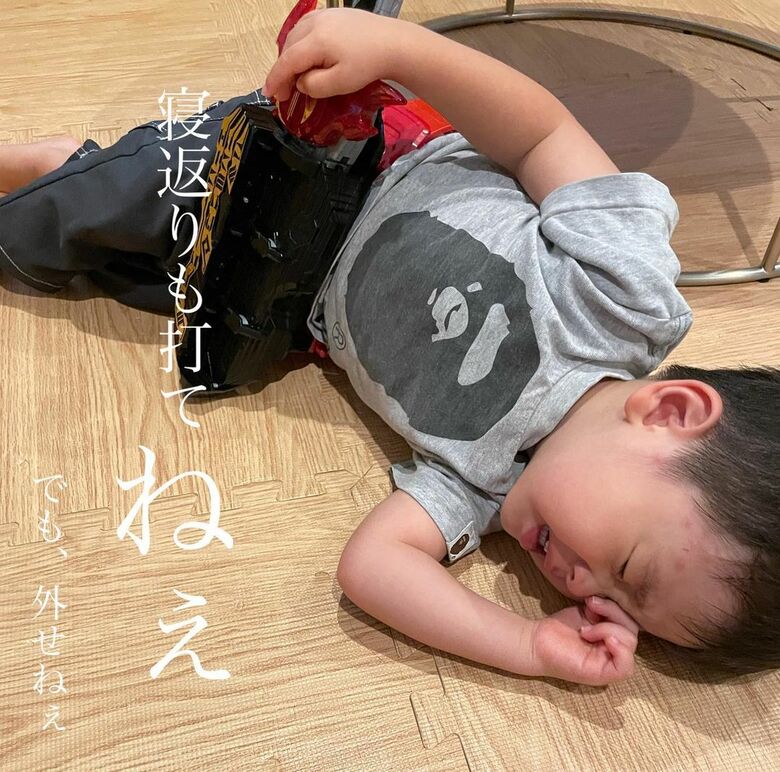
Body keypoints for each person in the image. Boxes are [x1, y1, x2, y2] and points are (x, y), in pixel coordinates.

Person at [2, 7, 778, 685]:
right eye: (628, 570)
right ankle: (54, 175)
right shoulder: (623, 296)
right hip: (342, 157)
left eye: (611, 608)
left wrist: (528, 644)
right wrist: (402, 49)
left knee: (103, 264)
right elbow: (541, 132)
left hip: (275, 291)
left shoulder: (489, 487)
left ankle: (70, 166)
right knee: (84, 210)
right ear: (672, 413)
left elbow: (372, 568)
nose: (581, 587)